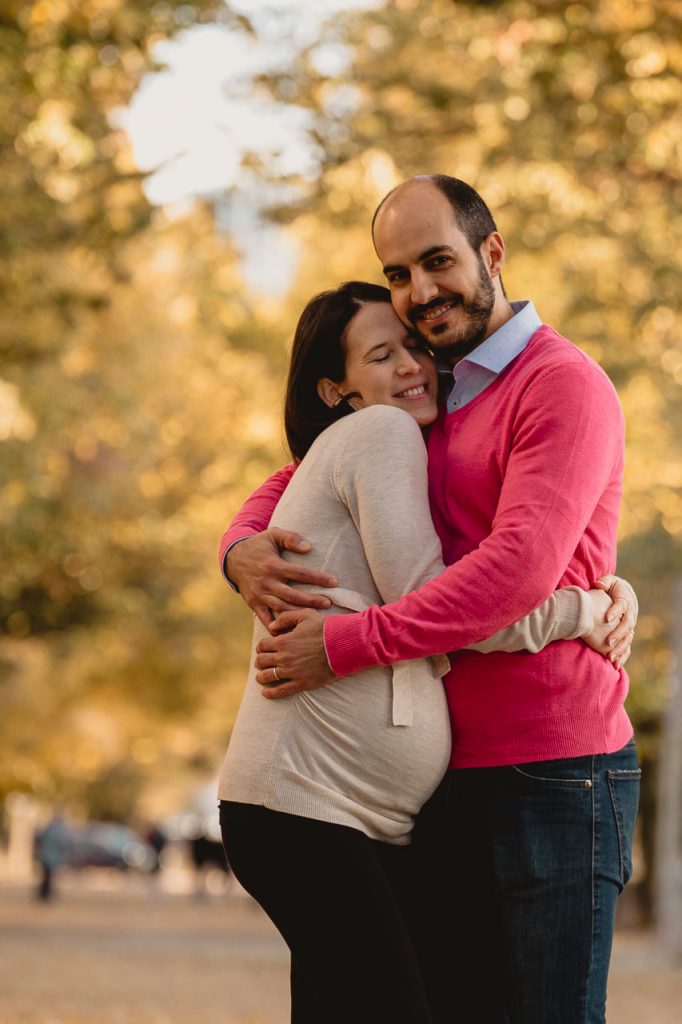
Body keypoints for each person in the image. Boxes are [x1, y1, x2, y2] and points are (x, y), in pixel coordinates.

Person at [221, 176, 640, 1024]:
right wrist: (239, 545)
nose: (420, 290)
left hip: (552, 770)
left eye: (437, 261)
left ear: (493, 252)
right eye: (399, 273)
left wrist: (344, 642)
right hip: (447, 783)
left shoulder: (559, 384)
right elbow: (312, 464)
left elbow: (513, 573)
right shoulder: (438, 392)